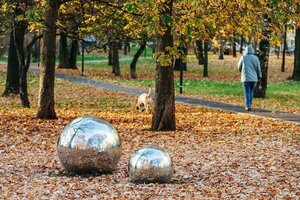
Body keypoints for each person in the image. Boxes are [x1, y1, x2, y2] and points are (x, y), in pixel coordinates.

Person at [237, 45, 262, 111]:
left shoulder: (243, 57)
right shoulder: (256, 58)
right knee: (251, 92)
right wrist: (259, 76)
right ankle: (249, 104)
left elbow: (239, 66)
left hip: (246, 78)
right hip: (254, 79)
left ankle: (248, 106)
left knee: (247, 92)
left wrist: (242, 71)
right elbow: (258, 69)